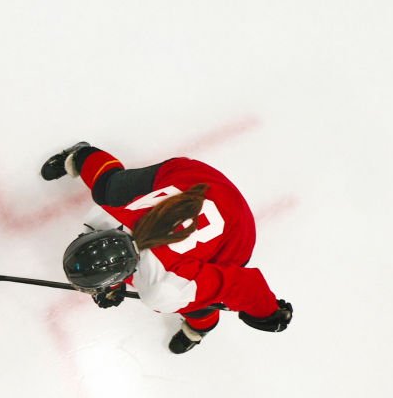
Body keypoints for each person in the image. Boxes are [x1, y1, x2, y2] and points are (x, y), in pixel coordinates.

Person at [41, 142, 293, 353]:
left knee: (196, 303)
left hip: (236, 231)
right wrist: (114, 284)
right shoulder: (102, 220)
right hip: (193, 178)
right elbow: (125, 258)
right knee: (109, 188)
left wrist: (268, 312)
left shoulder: (163, 286)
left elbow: (240, 285)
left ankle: (197, 330)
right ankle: (81, 157)